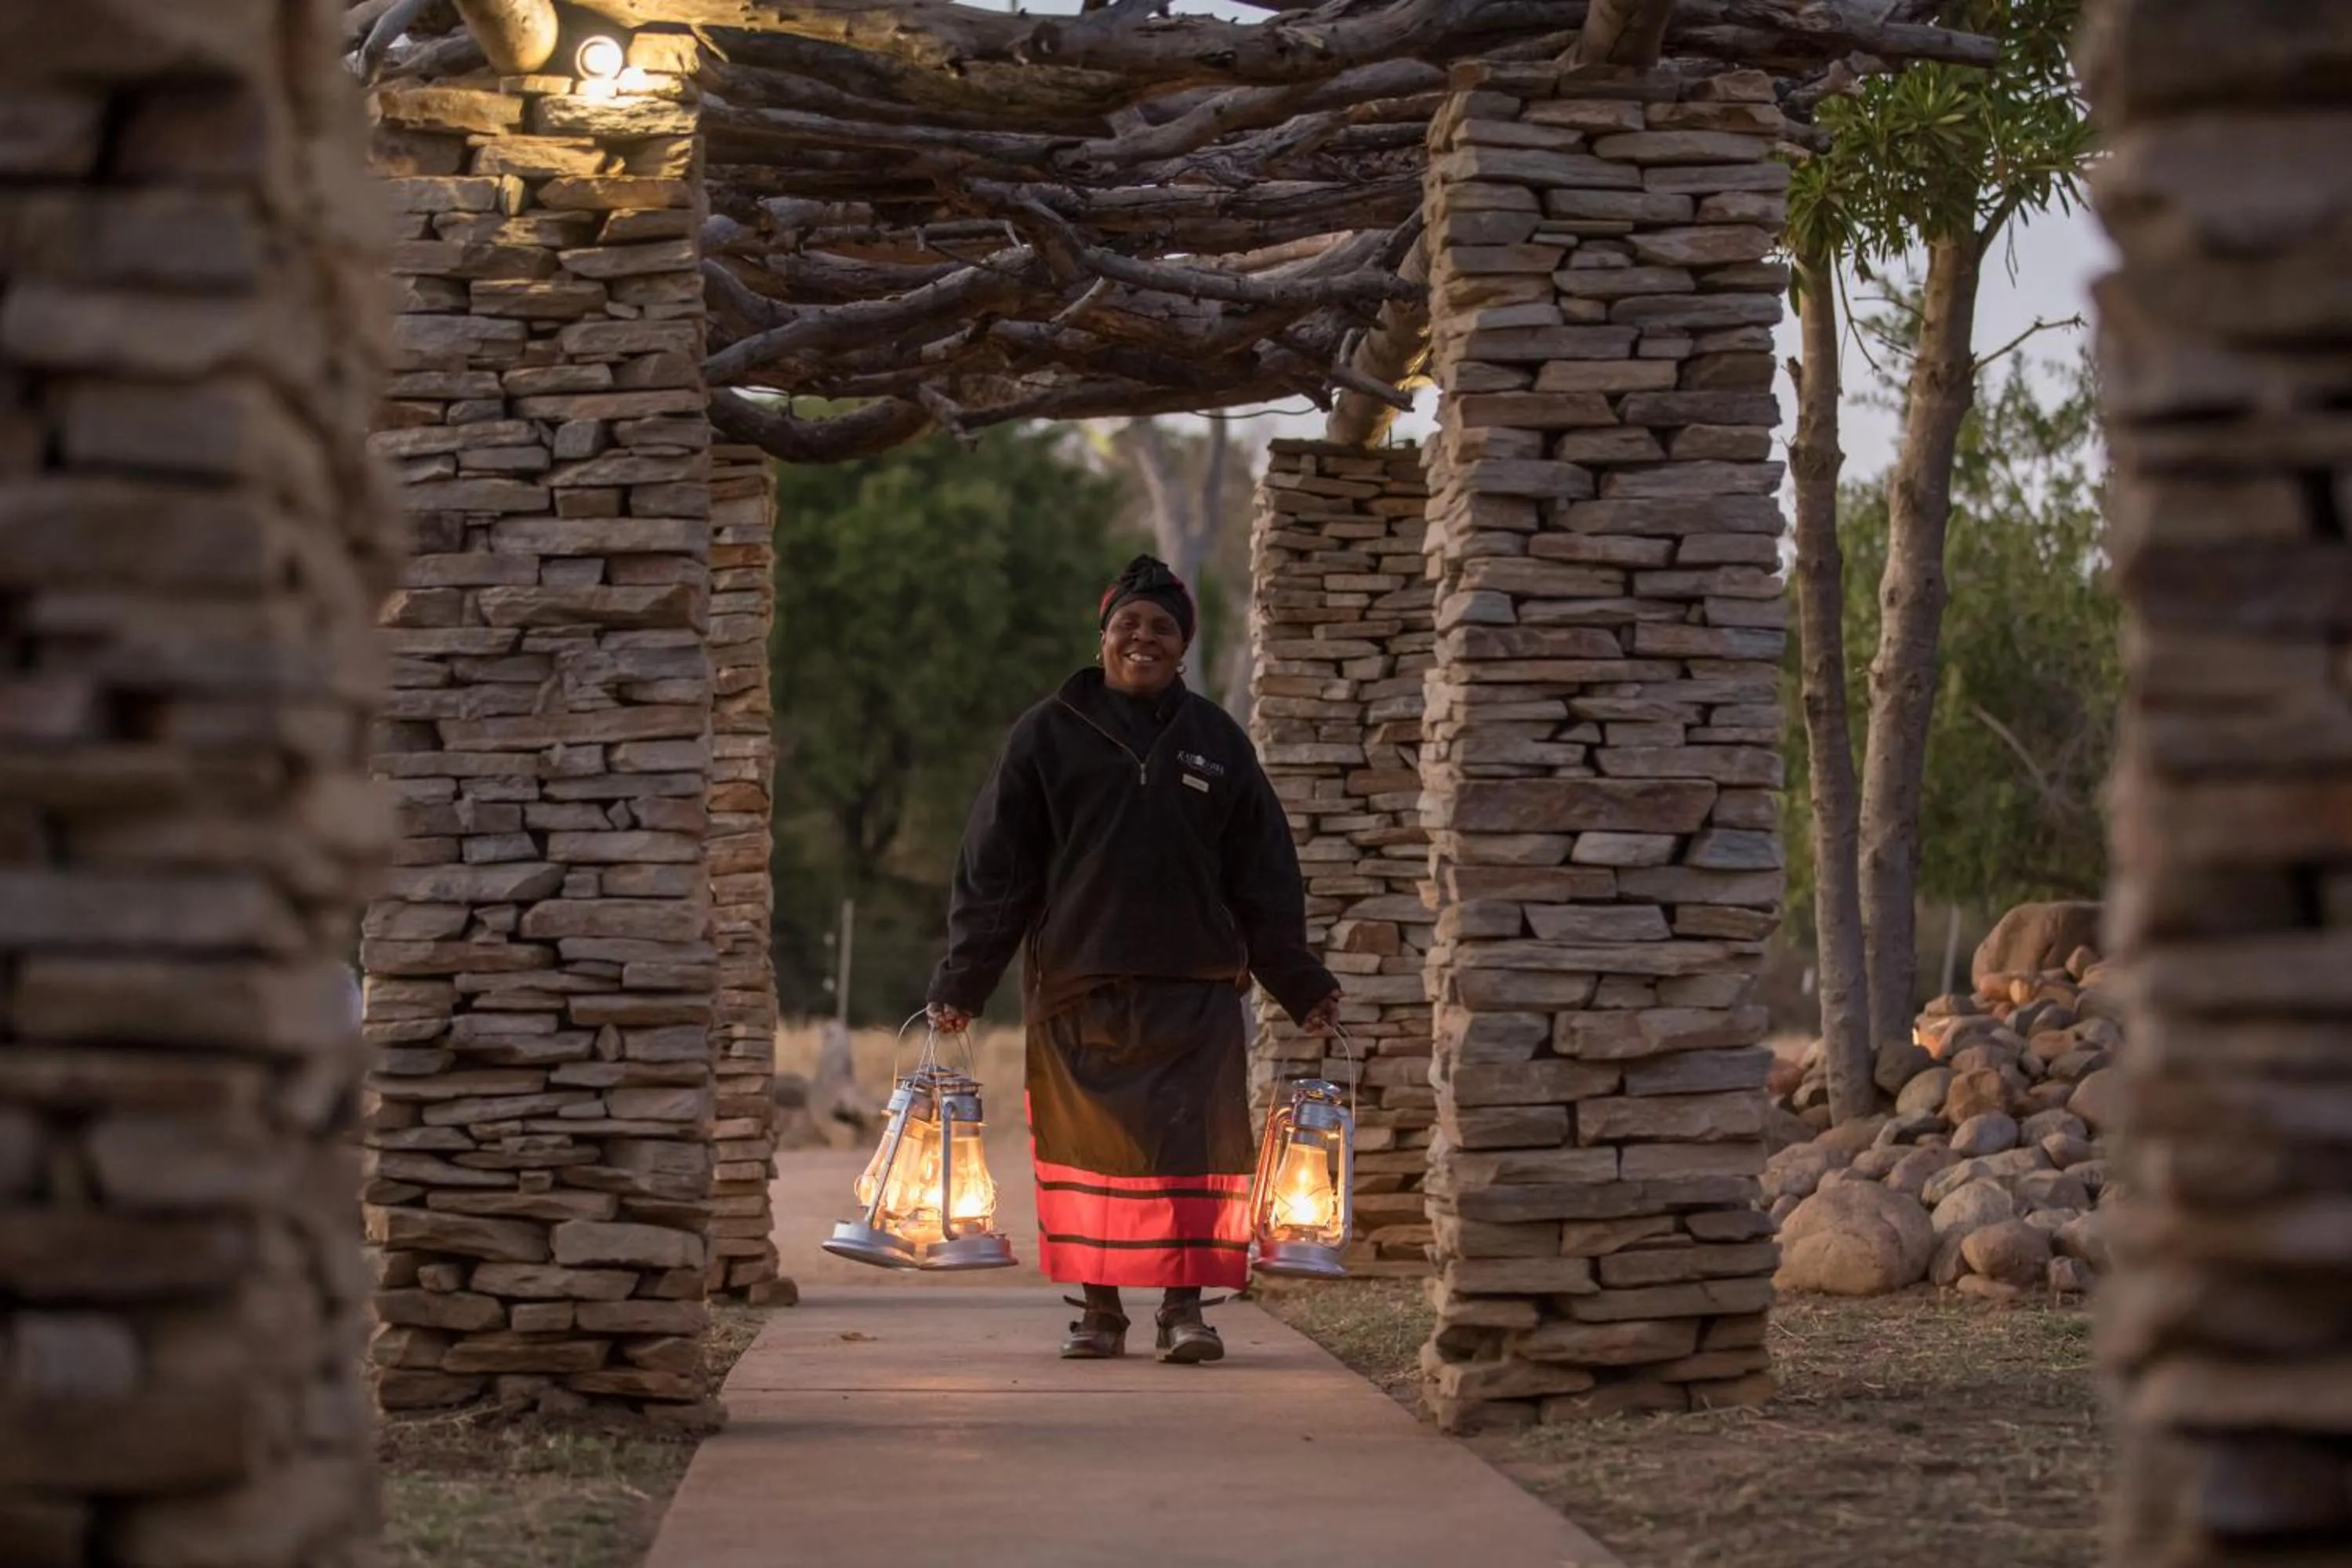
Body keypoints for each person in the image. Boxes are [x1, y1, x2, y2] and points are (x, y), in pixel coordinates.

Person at [927, 554, 1341, 1366]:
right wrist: (963, 979)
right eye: (1129, 624)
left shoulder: (1217, 740)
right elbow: (997, 870)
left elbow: (1263, 876)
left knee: (1195, 1152)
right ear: (1104, 635)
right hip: (1078, 985)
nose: (1143, 638)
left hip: (1196, 992)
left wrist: (1300, 981)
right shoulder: (1046, 733)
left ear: (1182, 645)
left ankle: (1185, 1313)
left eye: (1161, 627)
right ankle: (1100, 1312)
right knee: (1093, 1158)